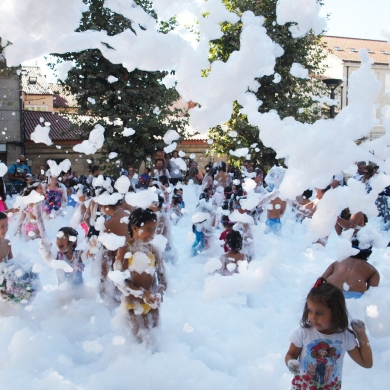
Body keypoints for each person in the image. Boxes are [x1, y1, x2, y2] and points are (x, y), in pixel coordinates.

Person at [285, 278, 372, 390]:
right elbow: (290, 354)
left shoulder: (344, 337)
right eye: (310, 311)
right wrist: (291, 362)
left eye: (319, 313)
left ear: (335, 313)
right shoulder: (303, 332)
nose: (312, 317)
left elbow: (366, 363)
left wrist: (361, 335)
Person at [114, 208, 167, 345]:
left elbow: (163, 279)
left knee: (156, 340)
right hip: (133, 304)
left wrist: (158, 293)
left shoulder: (154, 250)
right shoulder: (125, 250)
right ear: (134, 228)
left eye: (154, 229)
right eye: (148, 229)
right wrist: (143, 294)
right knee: (143, 342)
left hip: (152, 304)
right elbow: (120, 282)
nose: (152, 234)